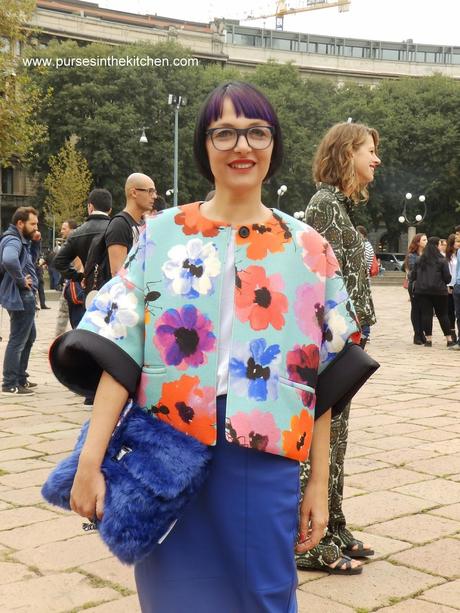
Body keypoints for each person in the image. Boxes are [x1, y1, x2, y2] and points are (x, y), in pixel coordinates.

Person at [49, 82, 364, 611]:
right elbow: (119, 352)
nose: (242, 146)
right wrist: (91, 459)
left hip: (264, 456)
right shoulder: (164, 234)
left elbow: (324, 378)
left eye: (256, 132)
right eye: (225, 132)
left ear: (274, 144)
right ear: (205, 145)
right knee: (173, 598)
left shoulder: (309, 248)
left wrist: (318, 485)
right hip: (166, 452)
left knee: (263, 597)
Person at [299, 121, 380, 575]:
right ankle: (310, 537)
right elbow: (319, 283)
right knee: (322, 440)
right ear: (346, 152)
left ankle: (332, 524)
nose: (376, 158)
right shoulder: (325, 205)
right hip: (330, 345)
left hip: (346, 340)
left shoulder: (340, 207)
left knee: (338, 440)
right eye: (369, 149)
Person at [0, 207, 39, 395]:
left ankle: (20, 377)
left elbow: (27, 261)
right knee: (18, 339)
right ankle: (9, 383)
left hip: (23, 295)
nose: (36, 228)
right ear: (20, 224)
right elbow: (8, 260)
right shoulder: (13, 240)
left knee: (29, 337)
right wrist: (22, 280)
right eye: (33, 224)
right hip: (21, 295)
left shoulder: (21, 240)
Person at [106, 173, 156, 276]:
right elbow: (117, 273)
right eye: (150, 191)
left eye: (154, 192)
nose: (154, 196)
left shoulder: (143, 224)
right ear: (134, 193)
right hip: (125, 290)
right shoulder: (119, 224)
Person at [411, 236, 453, 347]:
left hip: (422, 291)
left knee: (426, 315)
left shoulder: (419, 260)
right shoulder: (442, 260)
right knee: (443, 315)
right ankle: (449, 339)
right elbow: (447, 278)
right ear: (436, 246)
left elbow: (413, 276)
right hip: (439, 291)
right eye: (439, 244)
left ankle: (429, 340)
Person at [54, 219, 79, 337]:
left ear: (72, 229)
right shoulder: (73, 242)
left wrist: (72, 276)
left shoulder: (75, 242)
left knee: (65, 312)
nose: (61, 231)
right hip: (71, 281)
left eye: (64, 228)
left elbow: (78, 264)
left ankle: (57, 340)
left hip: (74, 283)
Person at [404, 233, 428, 345]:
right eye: (424, 240)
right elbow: (414, 270)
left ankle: (422, 333)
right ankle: (417, 334)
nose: (426, 241)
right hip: (415, 285)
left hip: (426, 284)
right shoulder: (412, 255)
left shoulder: (428, 254)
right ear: (418, 242)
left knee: (424, 309)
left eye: (426, 239)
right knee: (416, 309)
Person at [356, 225, 376, 344]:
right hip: (363, 280)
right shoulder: (365, 245)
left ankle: (365, 333)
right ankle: (364, 333)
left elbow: (364, 265)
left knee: (363, 307)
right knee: (363, 307)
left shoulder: (365, 246)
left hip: (362, 281)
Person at [445, 233, 459, 343]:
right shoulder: (448, 256)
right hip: (449, 285)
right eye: (457, 242)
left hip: (457, 284)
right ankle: (452, 332)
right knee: (450, 311)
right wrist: (449, 285)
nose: (458, 244)